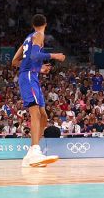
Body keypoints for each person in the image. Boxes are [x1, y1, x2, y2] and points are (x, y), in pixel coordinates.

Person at [11, 14, 66, 168]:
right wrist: (54, 55)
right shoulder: (39, 35)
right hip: (28, 77)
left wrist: (39, 68)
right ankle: (35, 151)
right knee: (35, 113)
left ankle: (31, 153)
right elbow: (35, 55)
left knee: (43, 116)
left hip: (31, 75)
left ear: (32, 24)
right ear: (45, 24)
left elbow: (15, 62)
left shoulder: (27, 39)